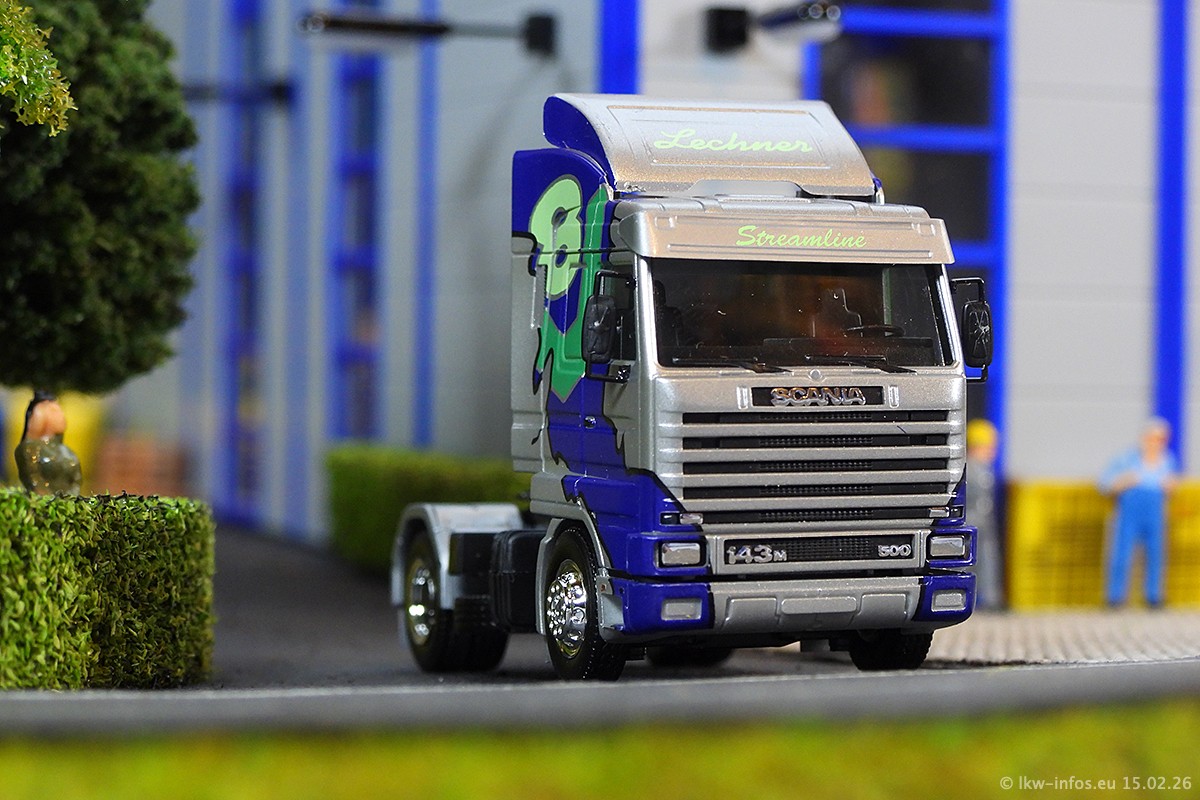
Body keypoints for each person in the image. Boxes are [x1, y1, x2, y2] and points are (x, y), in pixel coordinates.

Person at [1099, 418, 1178, 608]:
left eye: (1160, 439)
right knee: (1121, 553)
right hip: (1130, 513)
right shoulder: (1127, 459)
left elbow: (1171, 485)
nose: (1155, 443)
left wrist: (1171, 486)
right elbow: (1104, 483)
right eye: (1152, 438)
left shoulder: (1167, 461)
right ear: (1144, 438)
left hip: (1154, 514)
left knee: (1156, 554)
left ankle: (1153, 596)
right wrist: (1122, 482)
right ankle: (1115, 597)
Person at [13, 390, 82, 496]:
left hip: (69, 498)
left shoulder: (67, 451)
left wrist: (72, 496)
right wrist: (47, 498)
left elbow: (77, 480)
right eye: (53, 411)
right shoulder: (29, 448)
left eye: (58, 411)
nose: (59, 415)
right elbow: (33, 478)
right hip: (44, 501)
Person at [966, 419, 1003, 609]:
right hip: (971, 522)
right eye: (987, 448)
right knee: (969, 561)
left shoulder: (984, 470)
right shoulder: (969, 469)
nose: (991, 452)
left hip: (984, 523)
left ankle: (989, 597)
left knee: (987, 558)